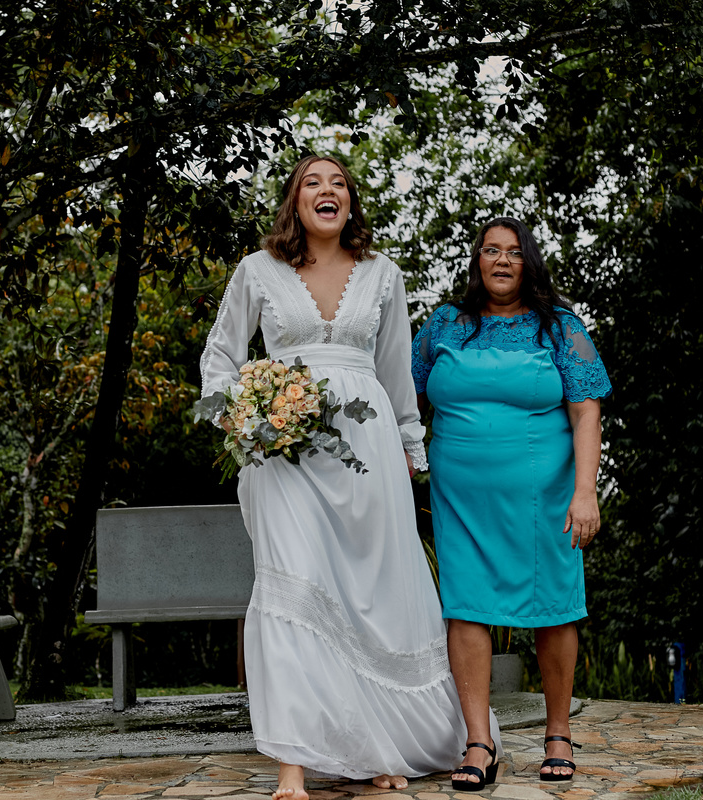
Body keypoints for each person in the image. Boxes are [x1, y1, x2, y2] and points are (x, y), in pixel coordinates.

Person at [201, 155, 499, 800]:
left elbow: (395, 376)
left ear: (351, 202)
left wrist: (412, 450)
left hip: (368, 457)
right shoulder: (258, 270)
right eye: (312, 181)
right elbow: (221, 355)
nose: (326, 190)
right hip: (282, 458)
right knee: (292, 593)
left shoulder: (383, 275)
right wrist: (244, 419)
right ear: (294, 201)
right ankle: (292, 765)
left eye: (338, 182)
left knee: (372, 599)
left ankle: (374, 745)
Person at [411, 217, 611, 790]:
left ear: (530, 262)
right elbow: (404, 395)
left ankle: (558, 736)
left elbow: (587, 409)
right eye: (490, 250)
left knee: (554, 605)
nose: (501, 260)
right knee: (466, 605)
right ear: (476, 261)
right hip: (461, 497)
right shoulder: (447, 324)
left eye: (514, 252)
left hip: (544, 496)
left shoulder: (560, 328)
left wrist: (585, 490)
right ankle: (478, 744)